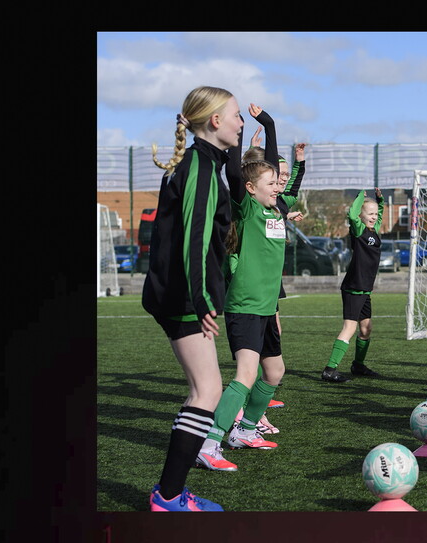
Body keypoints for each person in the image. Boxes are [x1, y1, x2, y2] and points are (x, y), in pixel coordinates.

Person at [142, 85, 245, 511]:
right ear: (215, 121)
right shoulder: (199, 167)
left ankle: (170, 493)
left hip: (178, 296)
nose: (242, 123)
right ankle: (167, 497)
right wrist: (203, 301)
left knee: (201, 390)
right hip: (184, 298)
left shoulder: (204, 162)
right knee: (208, 391)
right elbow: (194, 242)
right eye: (237, 115)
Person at [196, 104, 298, 472]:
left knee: (275, 373)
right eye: (271, 183)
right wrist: (245, 141)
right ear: (252, 189)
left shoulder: (276, 209)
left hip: (266, 307)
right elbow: (238, 172)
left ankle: (246, 430)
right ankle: (210, 442)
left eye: (279, 181)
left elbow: (271, 167)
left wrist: (270, 124)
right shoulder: (249, 208)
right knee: (246, 374)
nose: (278, 185)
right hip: (244, 306)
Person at [321, 187, 384, 382]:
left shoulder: (375, 230)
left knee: (366, 329)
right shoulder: (358, 229)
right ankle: (330, 370)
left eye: (375, 214)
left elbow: (380, 214)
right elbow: (351, 213)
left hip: (365, 289)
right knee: (350, 328)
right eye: (370, 214)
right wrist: (360, 196)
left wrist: (379, 202)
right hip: (354, 287)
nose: (373, 217)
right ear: (361, 215)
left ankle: (358, 365)